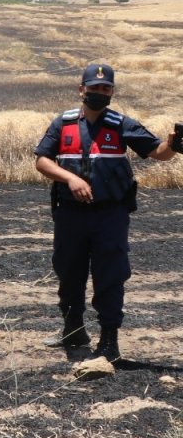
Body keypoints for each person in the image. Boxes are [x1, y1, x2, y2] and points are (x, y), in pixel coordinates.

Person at [34, 64, 176, 361]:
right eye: (94, 87)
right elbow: (42, 161)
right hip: (70, 214)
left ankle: (109, 341)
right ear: (81, 89)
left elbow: (158, 153)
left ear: (112, 91)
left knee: (110, 275)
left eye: (106, 88)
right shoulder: (64, 123)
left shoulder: (121, 124)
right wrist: (71, 179)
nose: (99, 93)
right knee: (68, 272)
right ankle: (73, 331)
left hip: (110, 215)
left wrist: (173, 144)